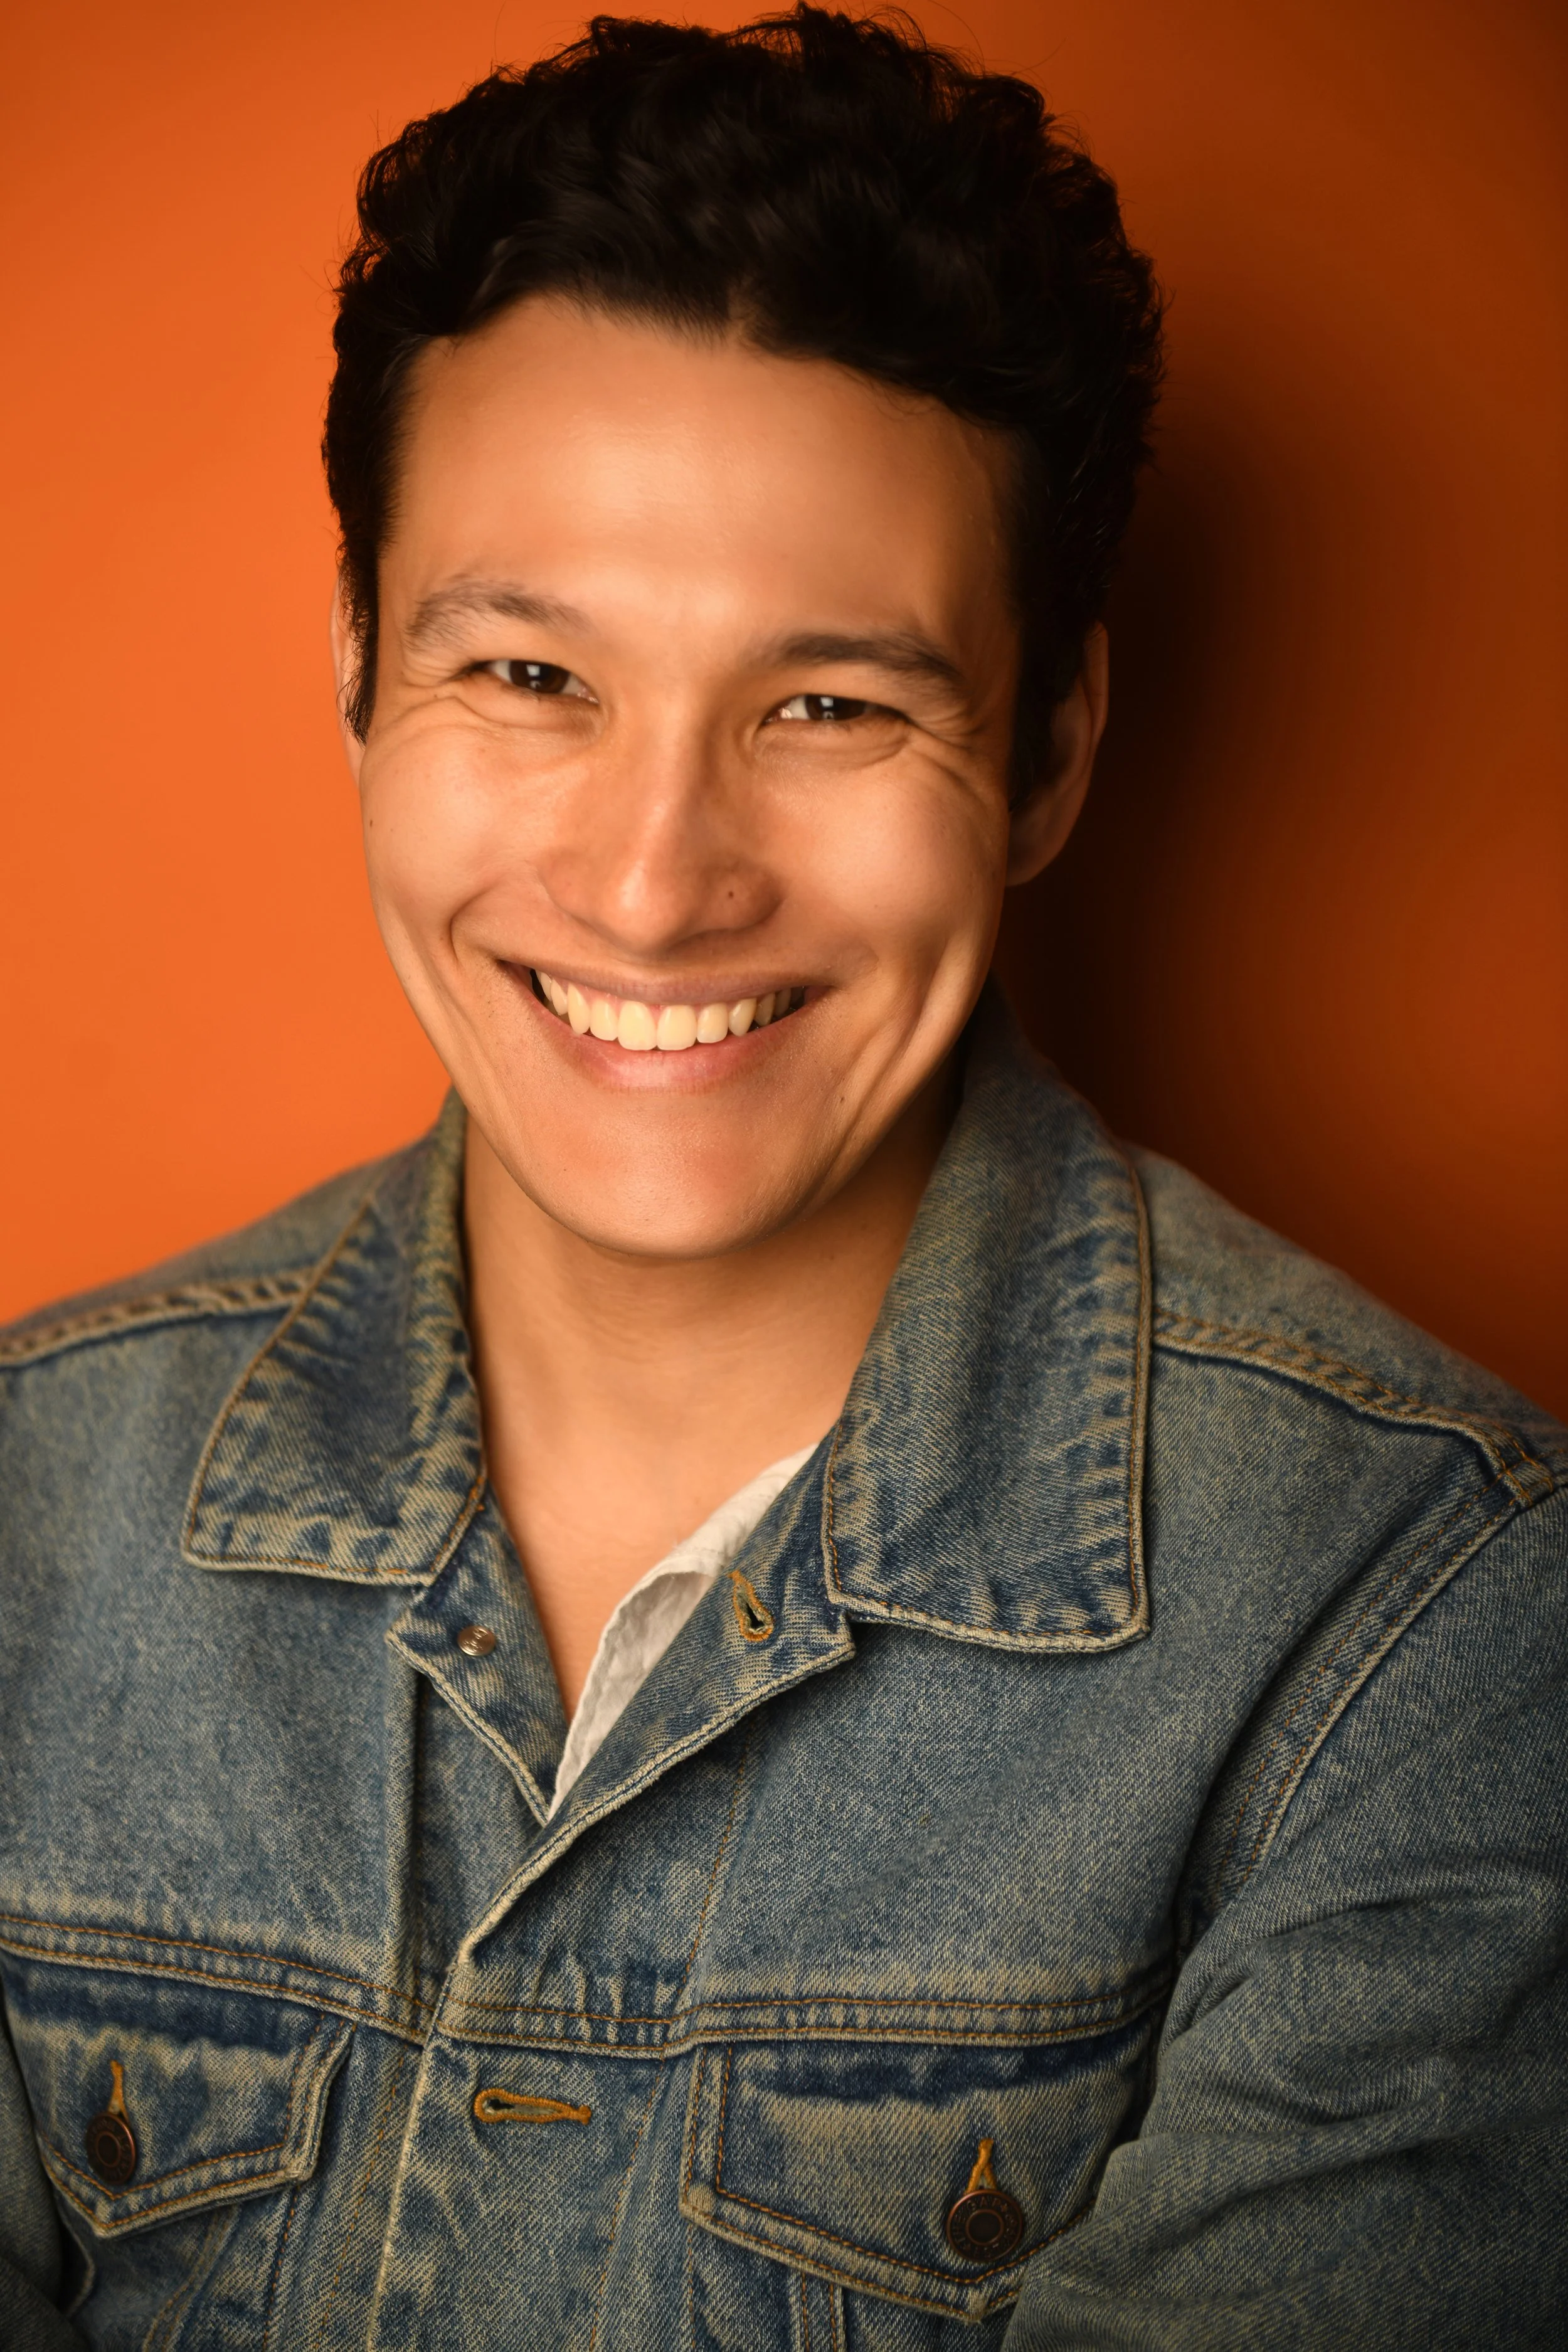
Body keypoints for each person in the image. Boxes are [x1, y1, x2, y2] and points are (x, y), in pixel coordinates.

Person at [1, 8, 1562, 2346]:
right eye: (528, 673)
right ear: (354, 674)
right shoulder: (24, 1501)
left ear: (1045, 753)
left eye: (831, 705)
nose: (651, 886)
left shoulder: (1435, 1627)